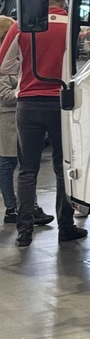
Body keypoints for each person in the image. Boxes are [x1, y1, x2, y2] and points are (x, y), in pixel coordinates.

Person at [0, 0, 86, 248]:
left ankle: (24, 232)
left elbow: (3, 65)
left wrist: (23, 76)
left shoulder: (22, 25)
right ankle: (66, 227)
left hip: (28, 103)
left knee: (27, 170)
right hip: (61, 103)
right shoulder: (72, 26)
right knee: (63, 168)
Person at [0, 16, 19, 224]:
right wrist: (24, 91)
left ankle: (27, 205)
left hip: (15, 120)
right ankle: (11, 207)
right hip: (6, 121)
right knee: (6, 164)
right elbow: (5, 96)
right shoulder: (2, 63)